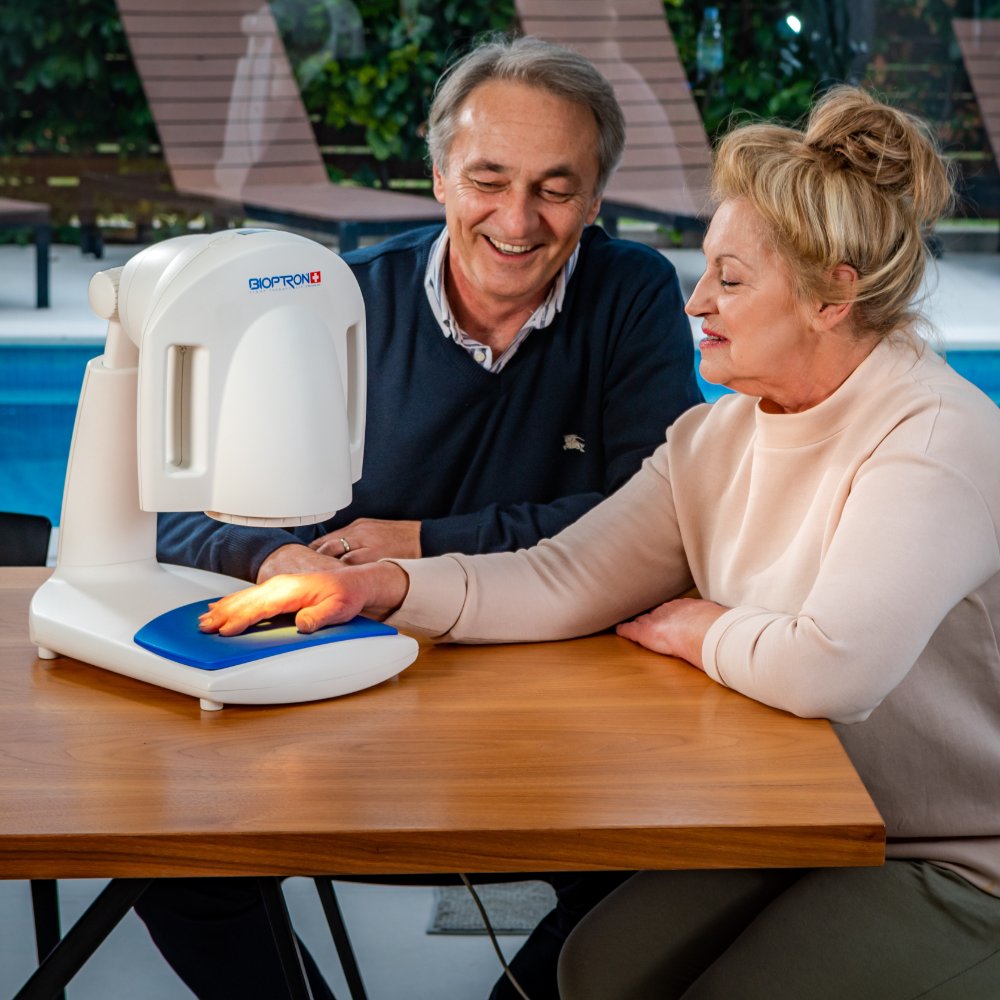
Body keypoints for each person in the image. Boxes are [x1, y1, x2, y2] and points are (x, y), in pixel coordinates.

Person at [200, 85, 1000, 999]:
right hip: (793, 822)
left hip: (955, 855)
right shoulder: (718, 438)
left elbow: (832, 670)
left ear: (832, 296)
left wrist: (699, 628)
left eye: (731, 279)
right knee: (595, 970)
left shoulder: (933, 438)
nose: (697, 300)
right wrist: (381, 587)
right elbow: (564, 576)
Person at [139, 34, 702, 1000]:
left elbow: (657, 517)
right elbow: (169, 508)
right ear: (439, 177)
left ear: (595, 199)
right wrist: (274, 556)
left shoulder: (631, 291)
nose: (517, 220)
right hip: (344, 693)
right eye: (488, 179)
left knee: (661, 862)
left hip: (554, 703)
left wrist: (419, 543)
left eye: (556, 189)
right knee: (171, 859)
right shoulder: (336, 299)